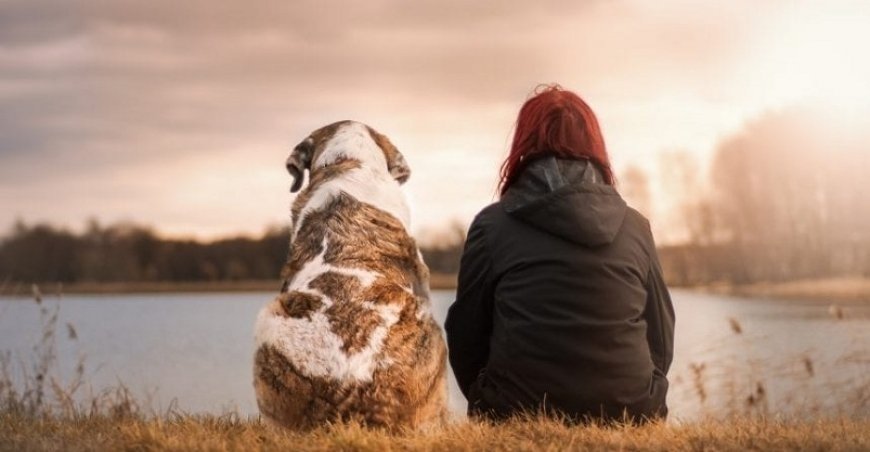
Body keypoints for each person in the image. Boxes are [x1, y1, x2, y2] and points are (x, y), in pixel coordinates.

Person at [445, 84, 675, 423]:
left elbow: (466, 336)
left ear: (523, 145)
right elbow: (661, 334)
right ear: (595, 146)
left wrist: (488, 399)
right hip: (631, 411)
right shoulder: (635, 227)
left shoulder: (492, 226)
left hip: (515, 411)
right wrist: (641, 394)